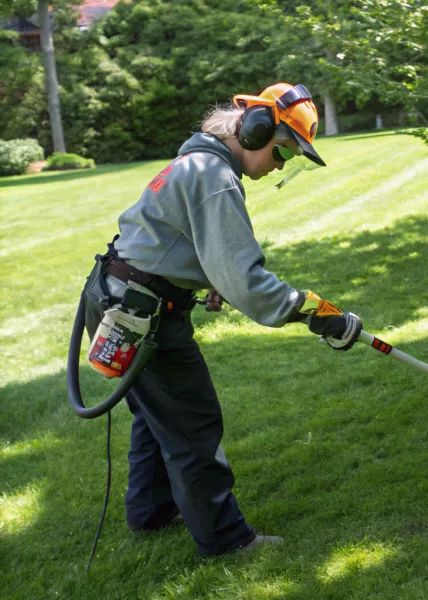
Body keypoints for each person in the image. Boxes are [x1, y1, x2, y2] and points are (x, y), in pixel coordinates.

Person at [81, 83, 361, 556]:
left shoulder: (201, 164)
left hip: (120, 299)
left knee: (156, 416)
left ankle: (151, 512)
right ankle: (228, 542)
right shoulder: (215, 176)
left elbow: (178, 241)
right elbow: (247, 283)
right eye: (284, 151)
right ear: (255, 131)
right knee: (193, 424)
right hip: (138, 311)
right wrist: (313, 311)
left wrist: (205, 275)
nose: (280, 163)